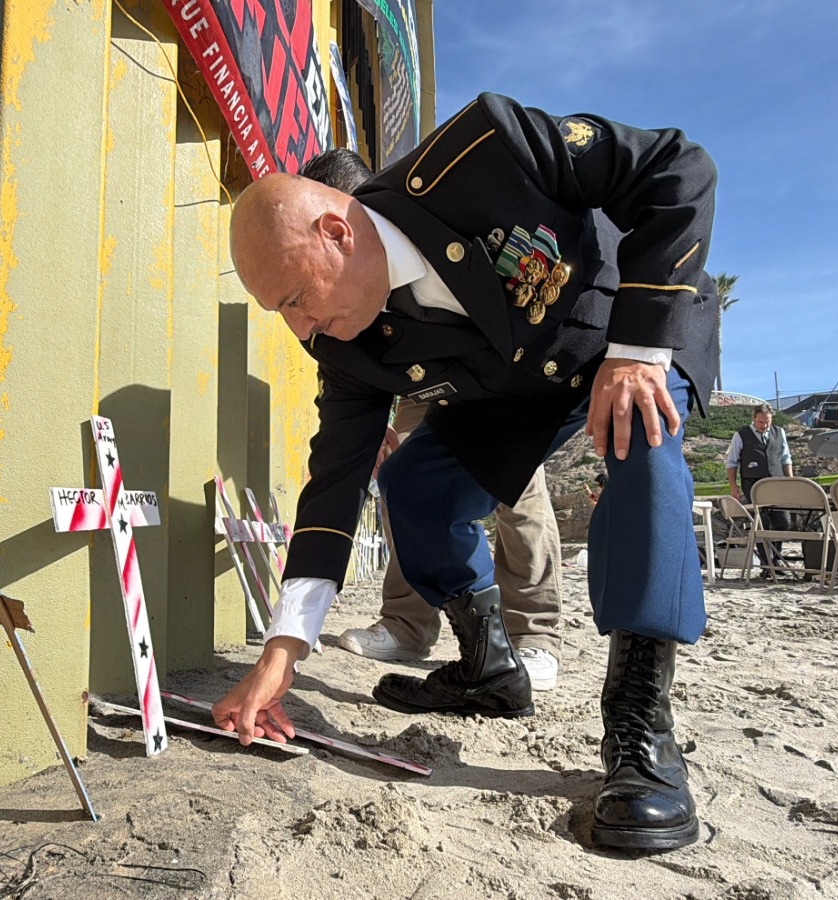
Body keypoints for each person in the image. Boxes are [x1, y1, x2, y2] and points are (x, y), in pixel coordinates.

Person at [212, 93, 718, 851]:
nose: (301, 327)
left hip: (624, 333)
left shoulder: (488, 153)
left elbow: (677, 166)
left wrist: (639, 352)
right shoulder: (343, 343)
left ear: (336, 232)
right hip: (516, 391)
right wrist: (282, 650)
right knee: (413, 487)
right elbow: (335, 479)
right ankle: (489, 670)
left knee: (642, 439)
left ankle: (641, 731)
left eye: (296, 298)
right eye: (280, 312)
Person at [302, 149, 563, 689]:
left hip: (500, 372)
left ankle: (533, 631)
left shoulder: (445, 216)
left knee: (518, 491)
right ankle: (407, 622)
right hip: (422, 380)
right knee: (406, 482)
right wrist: (366, 422)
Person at [726, 403, 793, 566]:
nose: (764, 425)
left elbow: (786, 458)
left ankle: (777, 557)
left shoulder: (779, 432)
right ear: (754, 418)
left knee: (783, 521)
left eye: (767, 422)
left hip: (776, 482)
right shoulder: (741, 435)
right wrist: (734, 487)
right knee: (761, 522)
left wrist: (791, 481)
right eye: (761, 422)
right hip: (753, 483)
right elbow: (732, 463)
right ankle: (766, 562)